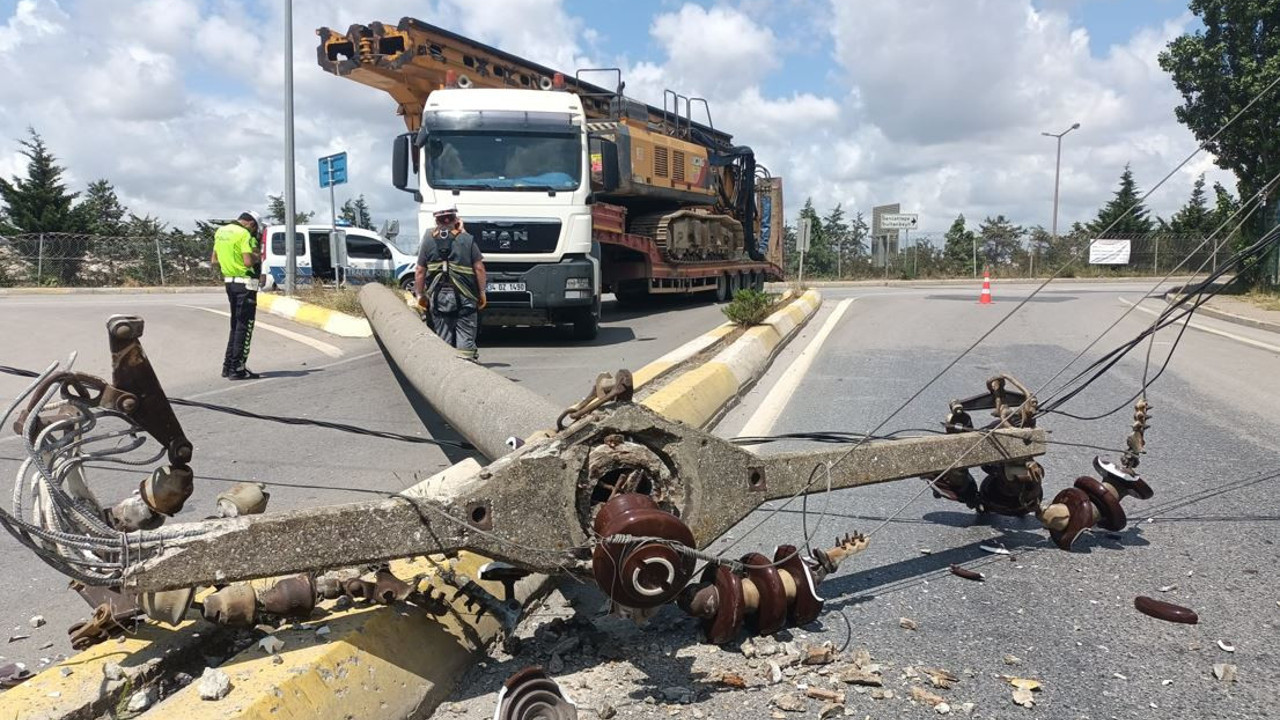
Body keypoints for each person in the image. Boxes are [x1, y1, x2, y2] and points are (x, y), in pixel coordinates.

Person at [415, 208, 487, 361]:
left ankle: (445, 368)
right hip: (465, 296)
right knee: (465, 338)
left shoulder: (428, 239)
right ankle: (467, 366)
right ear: (456, 219)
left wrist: (420, 295)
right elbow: (479, 268)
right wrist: (482, 292)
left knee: (443, 339)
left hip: (438, 297)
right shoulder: (467, 239)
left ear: (436, 220)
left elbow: (420, 270)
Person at [211, 211, 263, 380]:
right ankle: (237, 368)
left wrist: (231, 263)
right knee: (244, 326)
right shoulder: (243, 234)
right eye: (254, 229)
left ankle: (228, 366)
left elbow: (214, 260)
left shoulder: (221, 231)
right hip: (245, 284)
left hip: (229, 282)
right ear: (251, 224)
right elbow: (248, 262)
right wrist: (257, 257)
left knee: (235, 324)